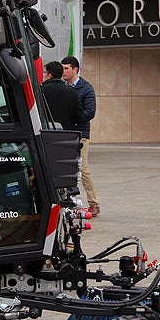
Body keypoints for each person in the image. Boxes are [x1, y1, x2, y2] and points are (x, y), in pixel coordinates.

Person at [62, 55, 100, 216]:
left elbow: (90, 112)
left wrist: (74, 117)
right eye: (62, 68)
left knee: (83, 168)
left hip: (81, 134)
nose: (63, 71)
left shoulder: (86, 88)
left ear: (75, 70)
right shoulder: (63, 87)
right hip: (64, 132)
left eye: (66, 68)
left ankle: (94, 203)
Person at [41, 60, 84, 130]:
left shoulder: (41, 90)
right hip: (65, 133)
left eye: (45, 72)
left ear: (50, 74)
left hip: (45, 132)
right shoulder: (72, 92)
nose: (44, 75)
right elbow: (79, 116)